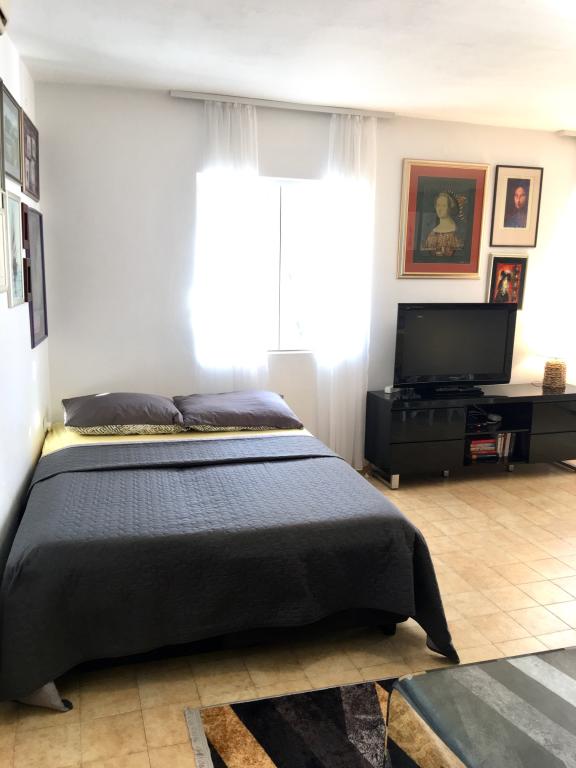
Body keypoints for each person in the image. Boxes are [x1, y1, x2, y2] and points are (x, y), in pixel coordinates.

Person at [422, 192, 463, 259]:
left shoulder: (457, 231)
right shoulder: (432, 233)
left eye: (443, 205)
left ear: (450, 207)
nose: (440, 209)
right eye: (438, 205)